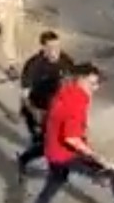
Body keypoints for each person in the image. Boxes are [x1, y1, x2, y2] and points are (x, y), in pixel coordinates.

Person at [19, 63, 114, 203]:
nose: (95, 88)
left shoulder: (65, 91)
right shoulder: (78, 101)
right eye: (92, 83)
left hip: (52, 151)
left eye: (97, 84)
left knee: (53, 184)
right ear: (80, 80)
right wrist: (99, 158)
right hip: (68, 154)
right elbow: (71, 138)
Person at [17, 30, 75, 174]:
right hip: (38, 109)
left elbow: (72, 82)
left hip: (57, 108)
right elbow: (25, 95)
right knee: (45, 142)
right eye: (51, 48)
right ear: (43, 49)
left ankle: (54, 163)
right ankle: (29, 159)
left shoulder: (65, 60)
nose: (55, 51)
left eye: (57, 47)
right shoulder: (33, 66)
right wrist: (33, 113)